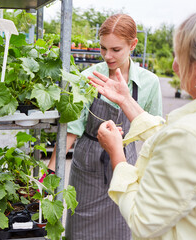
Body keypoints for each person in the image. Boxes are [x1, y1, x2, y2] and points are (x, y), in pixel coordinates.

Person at [91, 9, 196, 239]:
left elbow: (143, 221)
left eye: (179, 56)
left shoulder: (189, 137)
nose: (174, 66)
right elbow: (165, 131)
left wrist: (118, 155)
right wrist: (126, 100)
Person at [45, 14, 163, 239]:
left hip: (124, 164)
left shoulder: (149, 82)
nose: (108, 56)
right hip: (87, 166)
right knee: (80, 231)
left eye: (116, 49)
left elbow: (154, 135)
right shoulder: (88, 77)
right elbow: (73, 127)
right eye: (102, 48)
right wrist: (51, 171)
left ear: (133, 45)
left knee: (121, 228)